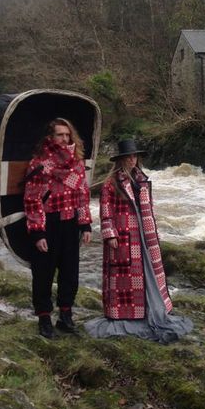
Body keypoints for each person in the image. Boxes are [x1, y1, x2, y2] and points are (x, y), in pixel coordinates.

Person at [85, 139, 192, 344]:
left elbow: (149, 208)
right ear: (121, 159)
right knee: (124, 274)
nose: (133, 159)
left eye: (135, 156)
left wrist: (154, 230)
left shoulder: (141, 179)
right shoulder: (111, 182)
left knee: (147, 272)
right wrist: (110, 233)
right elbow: (105, 210)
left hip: (144, 234)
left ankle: (150, 309)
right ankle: (125, 314)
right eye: (129, 156)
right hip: (124, 235)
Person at [24, 118, 92, 339]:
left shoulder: (77, 164)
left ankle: (65, 315)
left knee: (70, 272)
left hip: (70, 223)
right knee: (43, 274)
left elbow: (82, 196)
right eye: (60, 135)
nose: (64, 139)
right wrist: (37, 232)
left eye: (67, 135)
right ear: (50, 138)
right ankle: (44, 319)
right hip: (48, 223)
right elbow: (32, 200)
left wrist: (86, 223)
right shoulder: (41, 164)